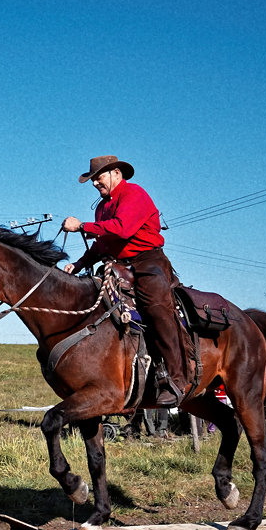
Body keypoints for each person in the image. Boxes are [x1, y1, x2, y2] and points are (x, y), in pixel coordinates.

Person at [62, 155, 186, 407]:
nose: (96, 183)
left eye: (99, 177)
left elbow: (122, 228)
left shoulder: (135, 194)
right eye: (93, 179)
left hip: (148, 261)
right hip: (116, 264)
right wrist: (78, 264)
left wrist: (82, 226)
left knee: (155, 307)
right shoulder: (101, 207)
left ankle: (177, 378)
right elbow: (101, 244)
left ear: (116, 173)